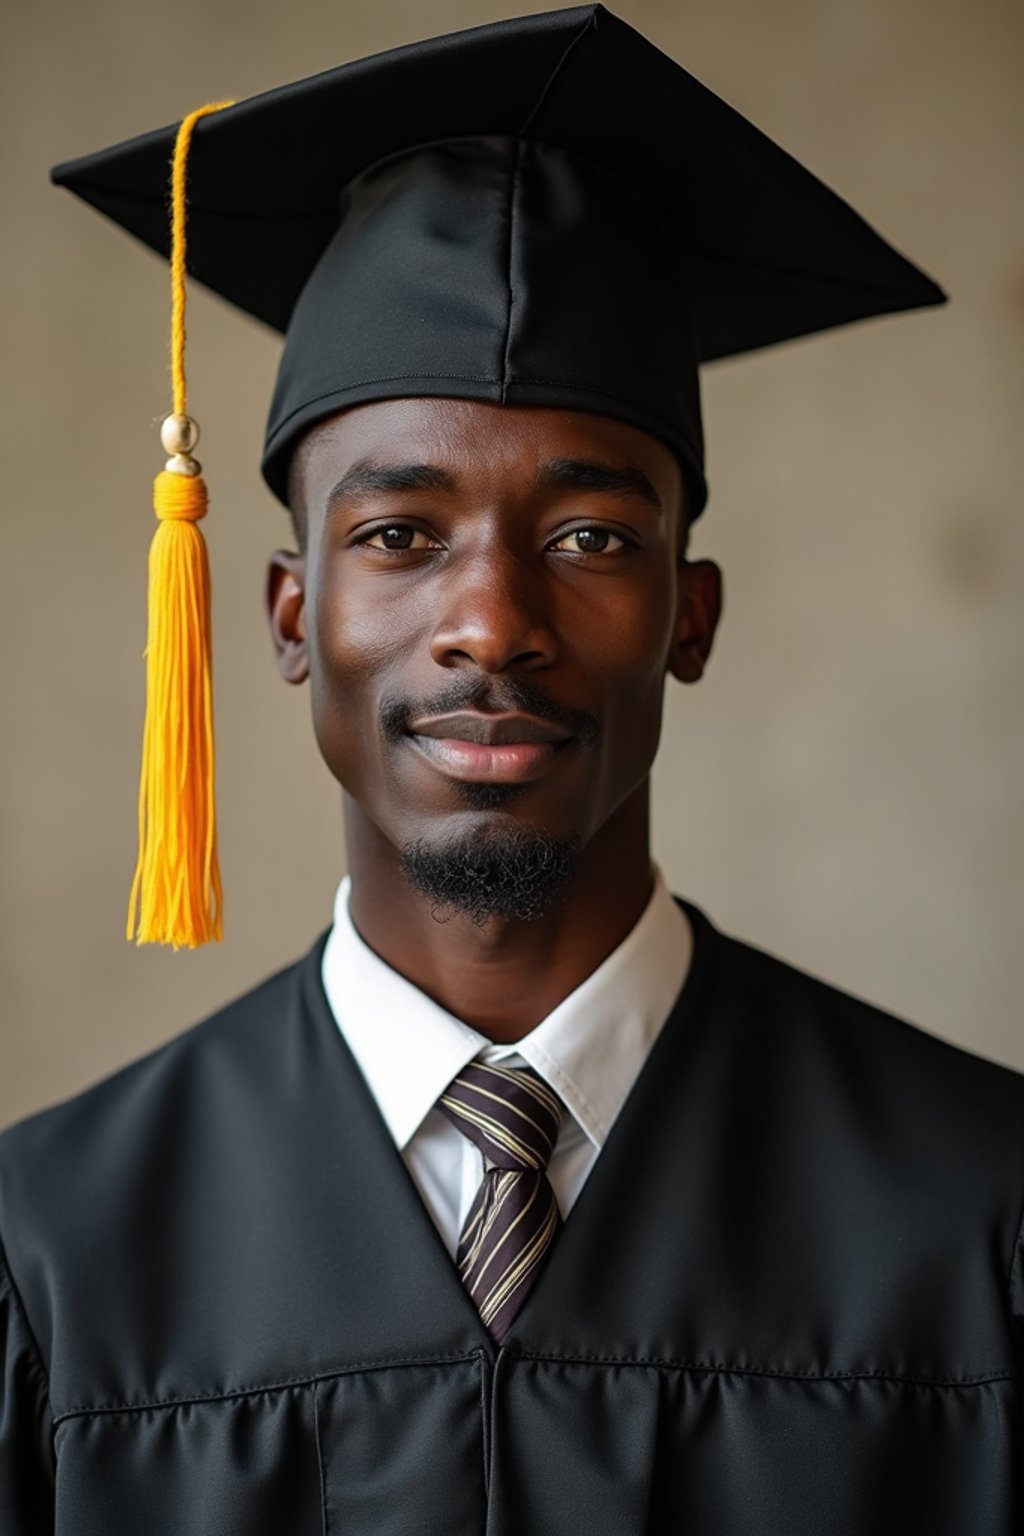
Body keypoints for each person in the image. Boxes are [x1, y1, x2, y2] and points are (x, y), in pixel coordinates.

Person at [2, 7, 1022, 1533]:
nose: (492, 624)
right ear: (291, 617)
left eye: (591, 538)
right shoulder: (50, 1256)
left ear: (692, 616)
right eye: (398, 535)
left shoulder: (981, 1221)